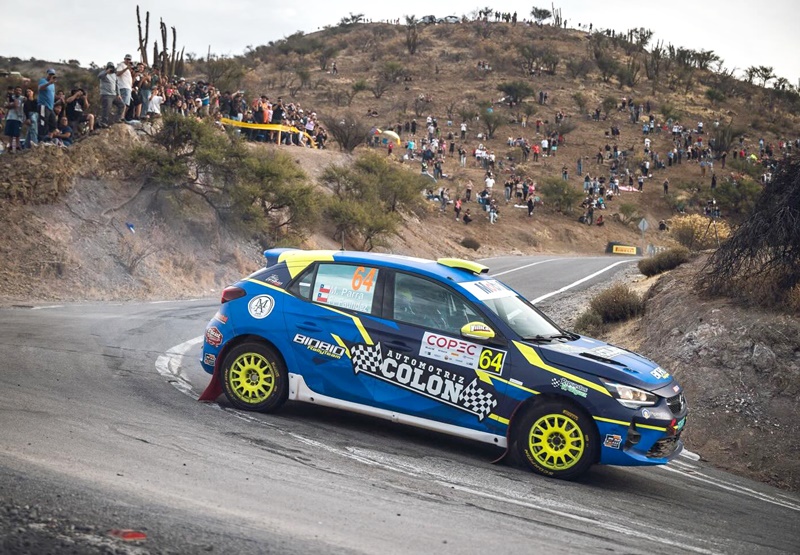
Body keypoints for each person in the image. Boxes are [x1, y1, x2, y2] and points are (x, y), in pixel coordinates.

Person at [97, 62, 124, 127]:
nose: (111, 69)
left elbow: (116, 85)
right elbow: (99, 76)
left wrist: (119, 94)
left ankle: (117, 119)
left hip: (114, 94)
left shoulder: (114, 75)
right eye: (110, 67)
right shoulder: (103, 73)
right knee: (107, 108)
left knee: (121, 105)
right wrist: (107, 72)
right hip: (106, 94)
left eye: (112, 67)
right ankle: (104, 122)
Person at [37, 68, 57, 141]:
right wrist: (49, 83)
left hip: (50, 107)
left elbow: (51, 94)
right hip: (43, 105)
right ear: (47, 74)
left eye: (53, 75)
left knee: (53, 123)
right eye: (50, 74)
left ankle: (49, 138)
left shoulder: (53, 85)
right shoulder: (43, 81)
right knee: (43, 122)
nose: (51, 76)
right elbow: (40, 88)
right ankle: (41, 139)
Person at [3, 85, 24, 153]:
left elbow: (17, 105)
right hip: (10, 117)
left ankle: (18, 146)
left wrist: (12, 105)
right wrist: (12, 105)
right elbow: (6, 105)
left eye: (19, 90)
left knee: (17, 133)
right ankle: (10, 146)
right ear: (14, 91)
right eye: (17, 90)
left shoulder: (22, 98)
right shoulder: (10, 97)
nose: (18, 91)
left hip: (18, 117)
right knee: (10, 133)